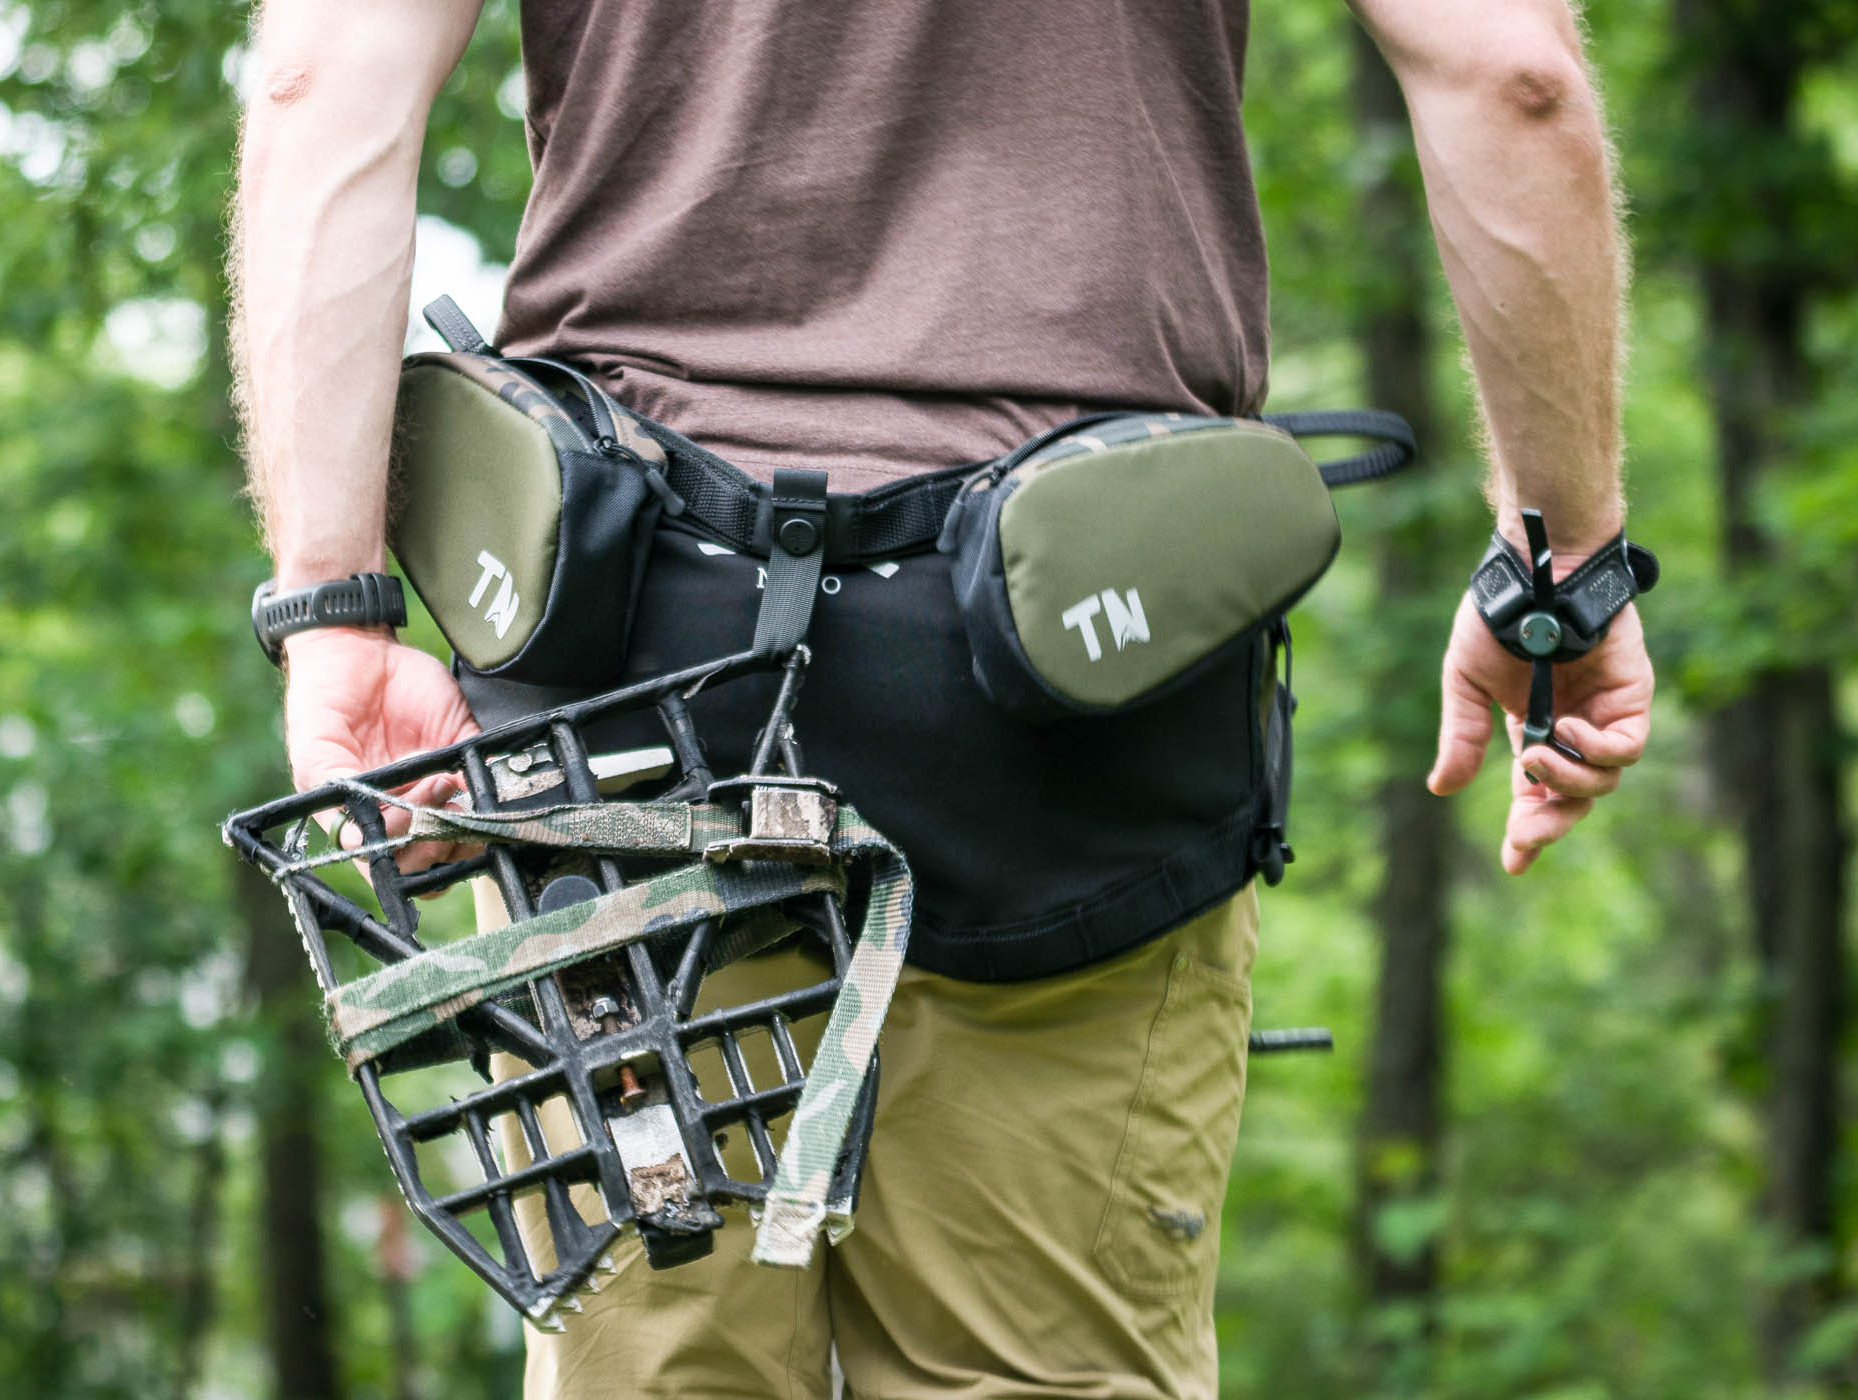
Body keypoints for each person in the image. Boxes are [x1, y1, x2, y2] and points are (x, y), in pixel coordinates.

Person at [231, 0, 1653, 1394]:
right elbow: (1507, 71)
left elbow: (326, 77)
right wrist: (1563, 561)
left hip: (629, 706)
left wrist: (332, 606)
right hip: (1079, 692)